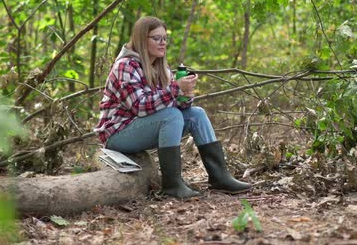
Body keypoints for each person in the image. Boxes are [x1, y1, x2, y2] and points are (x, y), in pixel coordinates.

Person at [94, 16, 251, 199]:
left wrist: (185, 96)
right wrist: (176, 89)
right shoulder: (125, 66)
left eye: (165, 39)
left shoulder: (159, 66)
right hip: (117, 134)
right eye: (156, 38)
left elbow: (170, 102)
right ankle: (172, 185)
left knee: (196, 114)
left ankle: (220, 177)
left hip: (143, 126)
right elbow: (140, 106)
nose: (162, 43)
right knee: (171, 115)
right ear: (141, 39)